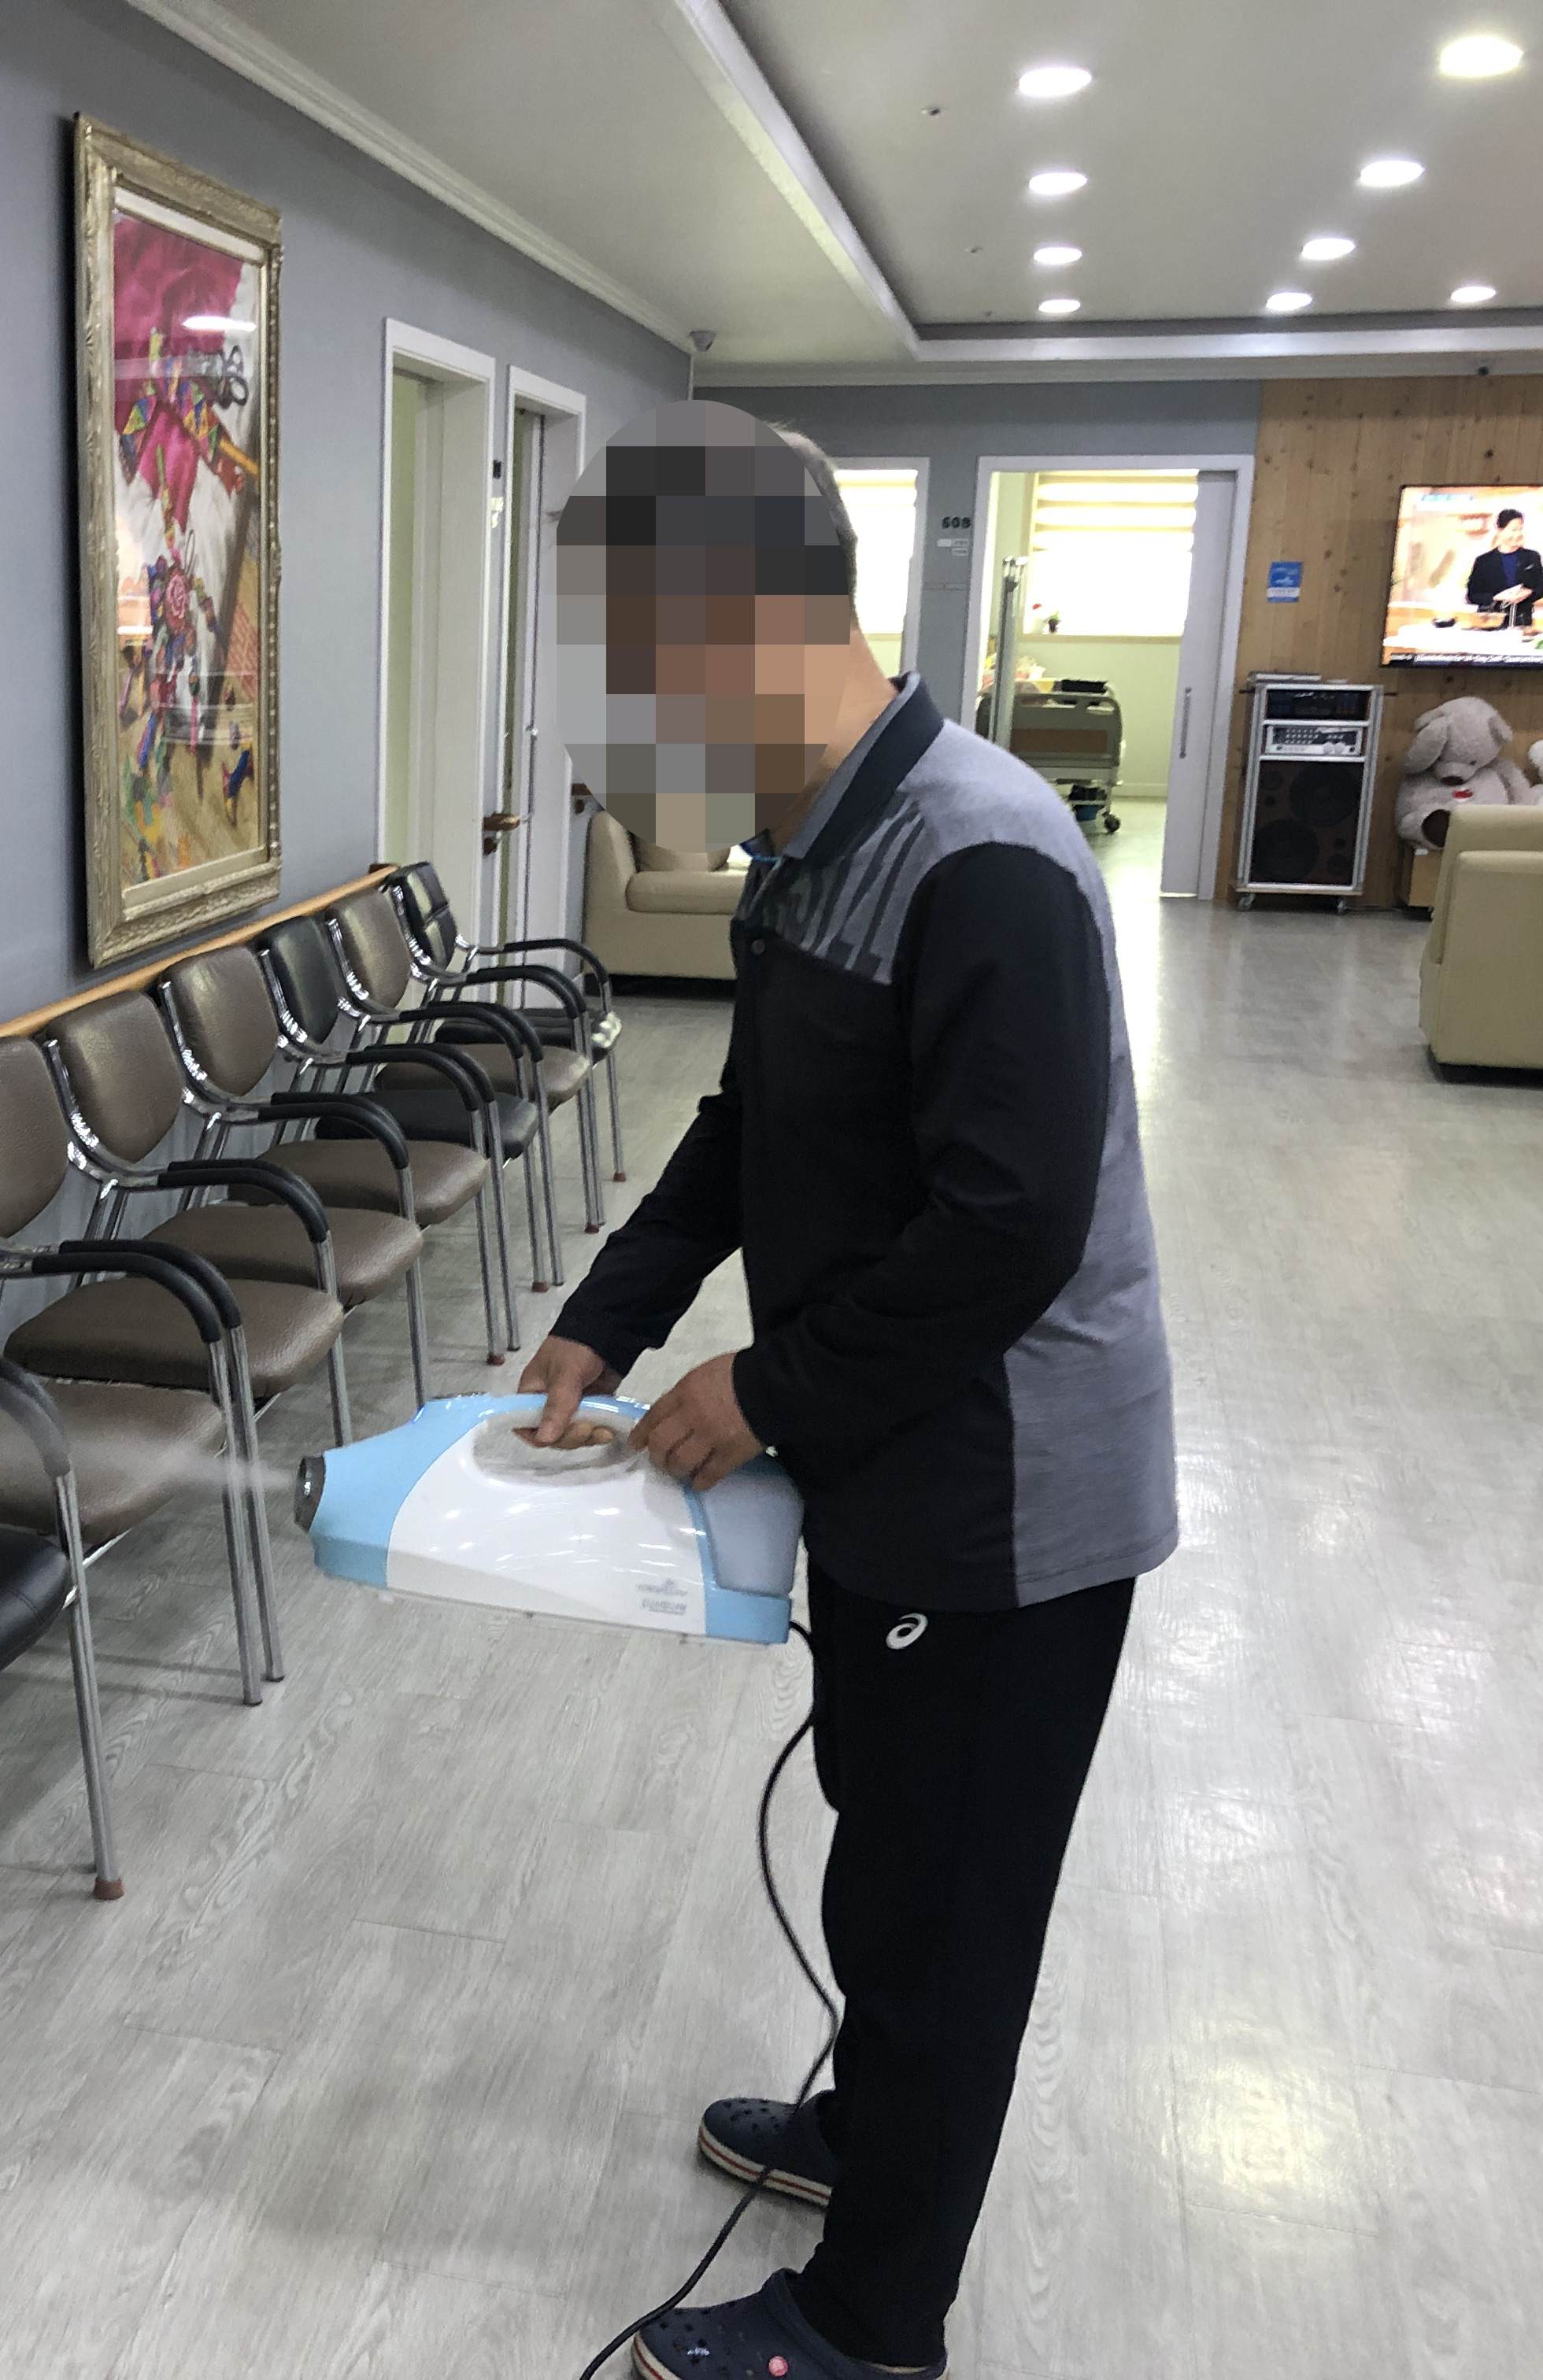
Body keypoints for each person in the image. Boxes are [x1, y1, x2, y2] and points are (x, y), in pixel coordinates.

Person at [538, 403, 1177, 2380]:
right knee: (883, 1838)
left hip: (1009, 1494)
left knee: (949, 1904)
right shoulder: (806, 850)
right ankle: (868, 2137)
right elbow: (751, 1127)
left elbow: (1009, 1226)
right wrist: (609, 1317)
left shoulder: (981, 853)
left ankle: (875, 2325)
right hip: (892, 1450)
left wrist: (767, 1388)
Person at [1462, 505, 1542, 627]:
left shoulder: (1531, 557)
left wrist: (1528, 592)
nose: (1518, 534)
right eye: (1514, 530)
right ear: (1500, 530)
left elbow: (1540, 587)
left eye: (1520, 529)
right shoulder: (1484, 561)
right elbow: (1472, 596)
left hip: (1522, 623)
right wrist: (1497, 597)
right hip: (1490, 623)